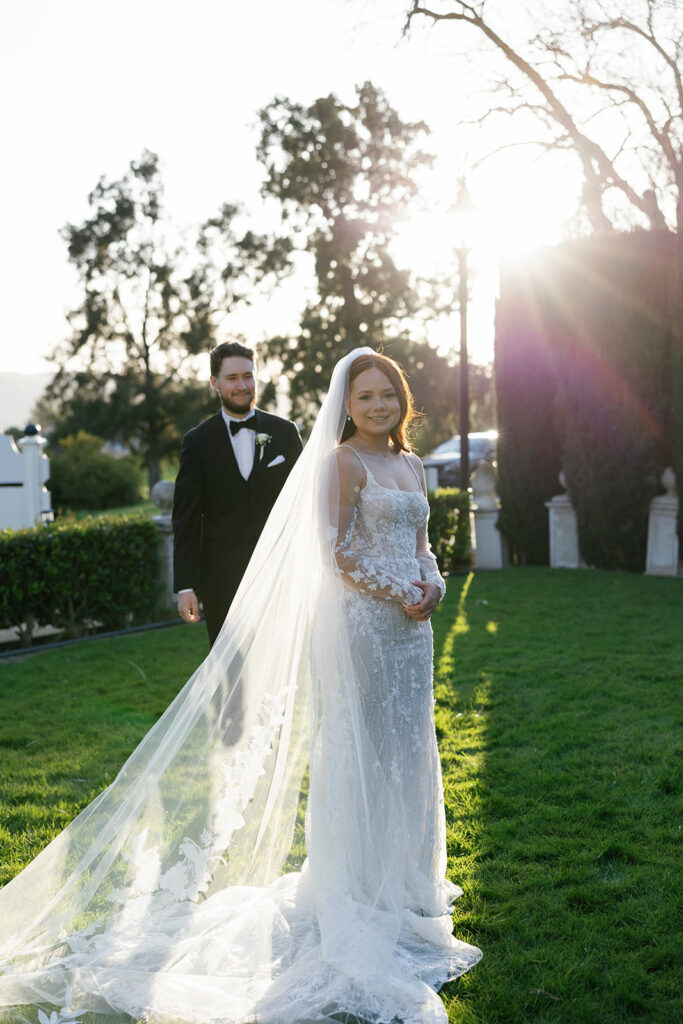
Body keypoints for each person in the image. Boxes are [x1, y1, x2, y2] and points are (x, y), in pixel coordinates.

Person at [0, 348, 481, 1024]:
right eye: (365, 396)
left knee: (407, 749)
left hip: (411, 630)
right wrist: (401, 589)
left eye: (387, 395)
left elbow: (423, 541)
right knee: (362, 749)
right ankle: (354, 890)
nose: (377, 406)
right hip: (362, 627)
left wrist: (429, 582)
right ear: (345, 404)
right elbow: (336, 552)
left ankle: (404, 886)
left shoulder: (407, 462)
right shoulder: (340, 462)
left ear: (402, 400)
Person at [173, 341, 303, 645]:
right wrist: (185, 586)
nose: (242, 385)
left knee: (280, 667)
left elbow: (305, 504)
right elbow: (186, 519)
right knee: (231, 676)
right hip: (221, 580)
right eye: (232, 378)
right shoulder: (197, 442)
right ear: (214, 383)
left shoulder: (285, 433)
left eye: (248, 376)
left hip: (280, 573)